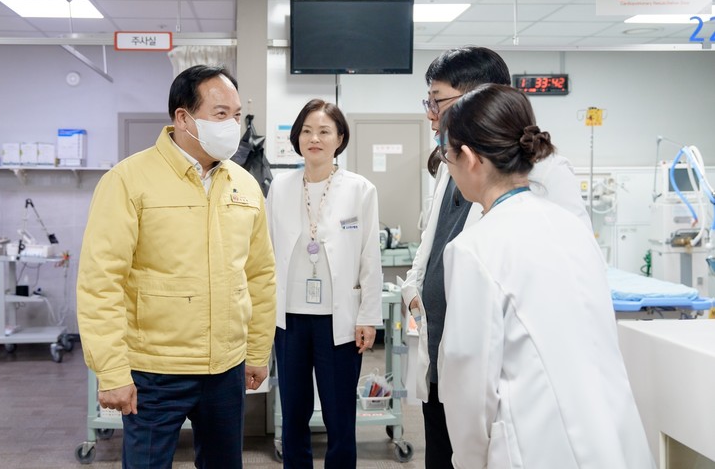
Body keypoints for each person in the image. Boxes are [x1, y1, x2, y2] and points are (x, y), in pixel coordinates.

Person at [437, 83, 654, 468]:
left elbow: (469, 387)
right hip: (615, 438)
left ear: (469, 159)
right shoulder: (572, 228)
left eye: (447, 156)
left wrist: (469, 461)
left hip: (536, 447)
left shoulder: (474, 249)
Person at [76, 64, 276, 469]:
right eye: (221, 114)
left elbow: (259, 276)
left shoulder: (244, 184)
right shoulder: (128, 180)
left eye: (237, 115)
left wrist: (257, 351)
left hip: (226, 367)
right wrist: (111, 371)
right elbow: (101, 282)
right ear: (183, 118)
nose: (233, 125)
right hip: (155, 370)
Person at [400, 46, 591, 468]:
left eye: (438, 101)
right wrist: (415, 286)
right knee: (442, 450)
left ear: (479, 98)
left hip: (504, 372)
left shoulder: (545, 172)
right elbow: (432, 240)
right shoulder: (451, 162)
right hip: (443, 354)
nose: (431, 115)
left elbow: (571, 270)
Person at [266, 99, 383, 468]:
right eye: (306, 131)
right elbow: (267, 254)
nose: (313, 138)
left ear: (340, 139)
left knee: (339, 417)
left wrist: (368, 317)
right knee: (293, 416)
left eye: (323, 131)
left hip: (340, 323)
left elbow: (369, 257)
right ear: (297, 138)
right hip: (290, 321)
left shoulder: (360, 189)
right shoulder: (280, 188)